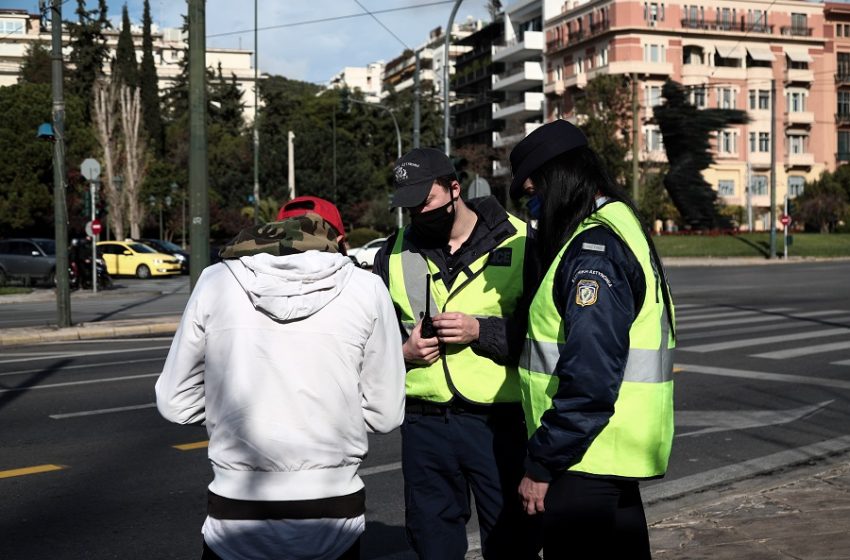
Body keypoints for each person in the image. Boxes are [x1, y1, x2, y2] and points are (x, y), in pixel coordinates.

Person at [155, 200, 406, 560]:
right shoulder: (367, 288)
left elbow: (174, 402)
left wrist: (230, 415)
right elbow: (385, 415)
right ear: (338, 238)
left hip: (236, 509)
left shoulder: (216, 280)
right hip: (334, 508)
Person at [509, 120, 675, 559]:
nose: (534, 208)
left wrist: (542, 463)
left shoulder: (591, 251)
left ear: (559, 180)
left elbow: (590, 377)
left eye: (534, 193)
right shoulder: (622, 223)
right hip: (613, 455)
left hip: (584, 458)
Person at [372, 148, 540, 559]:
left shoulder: (522, 242)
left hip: (499, 422)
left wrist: (481, 330)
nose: (417, 214)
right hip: (424, 422)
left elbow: (547, 335)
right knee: (432, 543)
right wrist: (402, 352)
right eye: (408, 206)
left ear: (453, 189)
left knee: (511, 541)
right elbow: (371, 342)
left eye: (424, 202)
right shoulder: (391, 254)